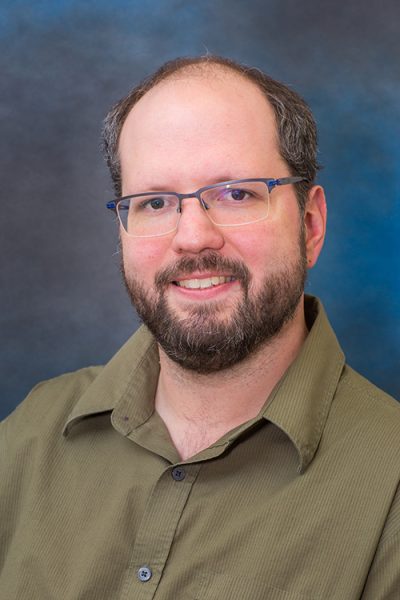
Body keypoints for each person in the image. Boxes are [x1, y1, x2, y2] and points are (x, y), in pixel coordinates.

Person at [1, 55, 400, 600]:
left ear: (310, 225)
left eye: (236, 193)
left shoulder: (389, 484)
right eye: (155, 202)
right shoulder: (30, 434)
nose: (192, 238)